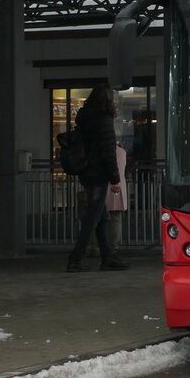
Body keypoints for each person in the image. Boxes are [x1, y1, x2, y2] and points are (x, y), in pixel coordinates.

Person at [66, 85, 128, 272]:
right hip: (98, 174)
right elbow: (108, 152)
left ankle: (107, 257)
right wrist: (115, 179)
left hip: (86, 171)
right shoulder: (104, 120)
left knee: (100, 217)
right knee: (93, 217)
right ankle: (75, 258)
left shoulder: (84, 117)